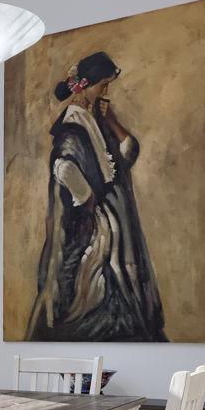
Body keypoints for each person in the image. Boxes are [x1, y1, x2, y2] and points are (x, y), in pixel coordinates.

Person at [25, 50, 166, 342]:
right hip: (98, 226)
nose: (105, 91)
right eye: (102, 85)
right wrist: (87, 199)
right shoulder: (74, 125)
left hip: (117, 220)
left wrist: (111, 120)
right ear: (87, 85)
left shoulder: (94, 120)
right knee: (98, 290)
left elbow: (126, 153)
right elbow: (63, 166)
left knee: (124, 290)